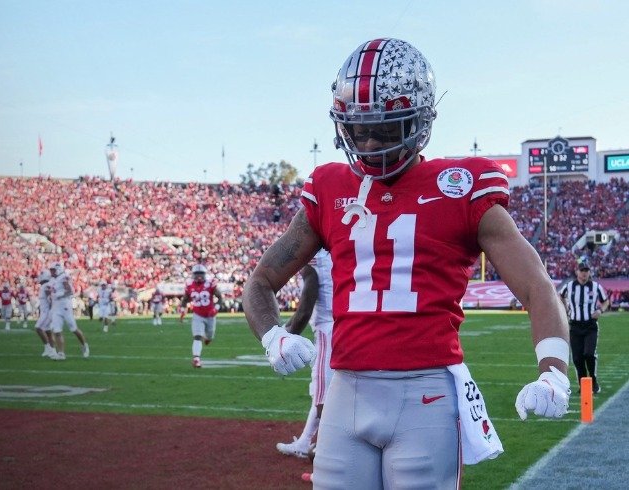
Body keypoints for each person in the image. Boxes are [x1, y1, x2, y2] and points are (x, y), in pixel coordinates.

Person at [242, 38, 571, 488]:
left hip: (426, 393)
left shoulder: (460, 186)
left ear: (419, 122)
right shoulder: (329, 187)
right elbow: (261, 280)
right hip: (345, 391)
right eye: (360, 129)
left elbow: (537, 286)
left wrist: (553, 372)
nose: (371, 142)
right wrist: (272, 336)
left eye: (386, 128)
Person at [276, 250, 334, 460]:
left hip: (329, 330)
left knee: (322, 397)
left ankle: (328, 448)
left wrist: (282, 339)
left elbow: (304, 310)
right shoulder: (334, 252)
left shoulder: (313, 259)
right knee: (336, 392)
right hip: (348, 327)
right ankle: (304, 442)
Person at [558, 258, 610, 394]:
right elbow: (560, 296)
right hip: (575, 326)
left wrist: (600, 310)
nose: (584, 274)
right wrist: (565, 308)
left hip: (590, 326)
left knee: (589, 354)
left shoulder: (596, 287)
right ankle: (583, 384)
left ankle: (593, 380)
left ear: (589, 272)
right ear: (577, 272)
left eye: (586, 271)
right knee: (577, 358)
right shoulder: (569, 286)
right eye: (582, 271)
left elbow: (605, 301)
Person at [180, 264, 224, 368]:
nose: (199, 276)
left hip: (210, 315)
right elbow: (185, 299)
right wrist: (182, 310)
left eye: (201, 274)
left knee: (209, 336)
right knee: (197, 336)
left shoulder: (210, 284)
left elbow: (220, 298)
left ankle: (208, 338)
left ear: (205, 274)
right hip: (197, 315)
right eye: (197, 274)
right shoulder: (190, 285)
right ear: (193, 275)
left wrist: (216, 309)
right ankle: (196, 359)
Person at [48, 263, 89, 359]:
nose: (51, 272)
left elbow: (70, 291)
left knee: (74, 329)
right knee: (57, 330)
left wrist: (59, 294)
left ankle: (84, 345)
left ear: (58, 269)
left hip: (65, 305)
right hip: (56, 306)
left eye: (53, 270)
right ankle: (61, 353)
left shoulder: (63, 277)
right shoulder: (53, 280)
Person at [34, 271, 58, 358]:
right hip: (46, 311)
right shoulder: (46, 285)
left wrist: (52, 310)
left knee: (38, 328)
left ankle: (48, 348)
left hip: (47, 312)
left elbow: (50, 298)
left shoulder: (46, 286)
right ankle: (53, 351)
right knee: (48, 332)